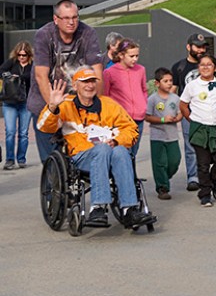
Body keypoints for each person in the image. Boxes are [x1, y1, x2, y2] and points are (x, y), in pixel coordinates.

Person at [37, 67, 155, 229]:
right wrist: (52, 107)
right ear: (75, 85)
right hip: (81, 155)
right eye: (85, 82)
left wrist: (117, 140)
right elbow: (43, 127)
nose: (90, 85)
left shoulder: (109, 105)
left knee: (120, 150)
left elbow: (131, 129)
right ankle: (98, 207)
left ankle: (129, 209)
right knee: (102, 149)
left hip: (111, 155)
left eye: (92, 81)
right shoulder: (66, 105)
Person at [27, 0, 102, 163]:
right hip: (46, 102)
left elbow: (97, 71)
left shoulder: (87, 33)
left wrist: (98, 104)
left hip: (76, 104)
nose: (71, 22)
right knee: (51, 161)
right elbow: (41, 76)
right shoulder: (44, 35)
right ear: (56, 19)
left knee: (83, 153)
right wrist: (54, 111)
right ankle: (53, 184)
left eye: (75, 17)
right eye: (66, 18)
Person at [180, 54, 216, 207]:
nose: (205, 67)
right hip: (200, 127)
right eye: (202, 65)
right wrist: (192, 119)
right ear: (198, 68)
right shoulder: (192, 86)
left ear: (215, 68)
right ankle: (205, 193)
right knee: (202, 163)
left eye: (209, 64)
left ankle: (214, 182)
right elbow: (183, 105)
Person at [171, 32, 209, 191]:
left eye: (203, 47)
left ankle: (206, 175)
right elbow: (173, 91)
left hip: (208, 112)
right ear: (188, 47)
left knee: (209, 144)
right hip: (188, 112)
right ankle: (193, 177)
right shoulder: (179, 67)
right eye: (197, 47)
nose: (200, 50)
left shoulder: (209, 65)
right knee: (191, 145)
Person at [103, 39, 148, 157]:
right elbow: (105, 96)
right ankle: (126, 175)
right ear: (121, 55)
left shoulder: (141, 70)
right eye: (131, 56)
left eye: (137, 56)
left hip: (138, 117)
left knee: (134, 150)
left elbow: (144, 89)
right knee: (124, 150)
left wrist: (143, 105)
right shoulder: (109, 72)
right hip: (120, 119)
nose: (135, 59)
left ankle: (132, 174)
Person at [145, 67, 182, 200]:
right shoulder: (152, 99)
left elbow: (180, 112)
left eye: (171, 80)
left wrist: (178, 117)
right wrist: (162, 119)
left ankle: (165, 177)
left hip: (172, 135)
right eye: (165, 81)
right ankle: (162, 187)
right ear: (157, 83)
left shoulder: (175, 98)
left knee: (174, 160)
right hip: (157, 136)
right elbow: (147, 116)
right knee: (159, 163)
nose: (169, 83)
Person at [1, 41, 33, 170]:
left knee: (24, 133)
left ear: (28, 55)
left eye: (24, 55)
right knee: (10, 132)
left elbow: (33, 77)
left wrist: (18, 76)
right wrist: (7, 75)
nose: (21, 57)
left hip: (25, 102)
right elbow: (1, 70)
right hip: (10, 102)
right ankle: (9, 160)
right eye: (19, 55)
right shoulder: (12, 62)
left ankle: (21, 159)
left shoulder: (32, 65)